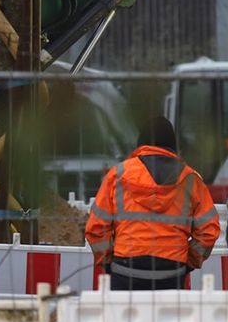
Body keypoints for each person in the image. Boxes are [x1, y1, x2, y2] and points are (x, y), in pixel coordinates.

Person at [84, 116, 220, 290]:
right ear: (172, 146)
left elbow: (95, 228)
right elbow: (208, 232)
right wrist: (188, 262)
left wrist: (109, 262)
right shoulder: (191, 179)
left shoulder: (118, 174)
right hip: (171, 272)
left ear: (141, 143)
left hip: (125, 269)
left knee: (125, 317)